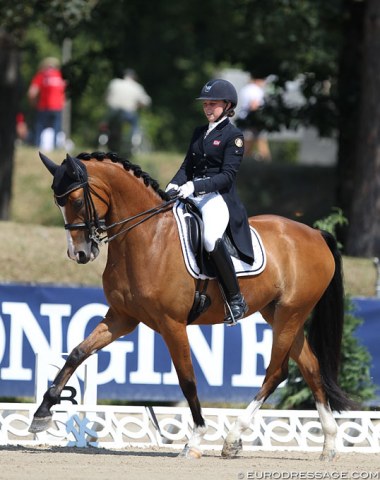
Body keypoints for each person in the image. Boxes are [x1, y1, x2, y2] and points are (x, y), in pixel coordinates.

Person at [166, 79, 254, 325]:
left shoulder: (234, 136)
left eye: (212, 104)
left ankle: (236, 299)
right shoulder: (198, 132)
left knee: (209, 238)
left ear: (227, 105)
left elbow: (226, 177)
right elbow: (187, 167)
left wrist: (195, 186)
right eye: (205, 104)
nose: (207, 108)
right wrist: (173, 185)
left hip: (218, 198)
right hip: (191, 193)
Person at [105, 69, 151, 152]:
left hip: (113, 112)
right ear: (133, 77)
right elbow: (146, 101)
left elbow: (107, 96)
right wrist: (139, 105)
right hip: (128, 113)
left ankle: (107, 139)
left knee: (108, 122)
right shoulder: (137, 87)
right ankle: (134, 140)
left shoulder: (114, 83)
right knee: (135, 123)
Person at [27, 57, 66, 149]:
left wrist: (33, 103)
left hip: (44, 106)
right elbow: (64, 94)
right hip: (57, 107)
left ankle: (37, 145)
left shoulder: (41, 76)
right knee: (56, 128)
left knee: (39, 127)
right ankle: (56, 146)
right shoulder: (60, 75)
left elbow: (31, 93)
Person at [237, 75, 271, 161]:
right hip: (252, 122)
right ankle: (268, 169)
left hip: (244, 120)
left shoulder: (246, 89)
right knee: (260, 146)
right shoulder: (255, 89)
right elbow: (254, 105)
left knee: (246, 149)